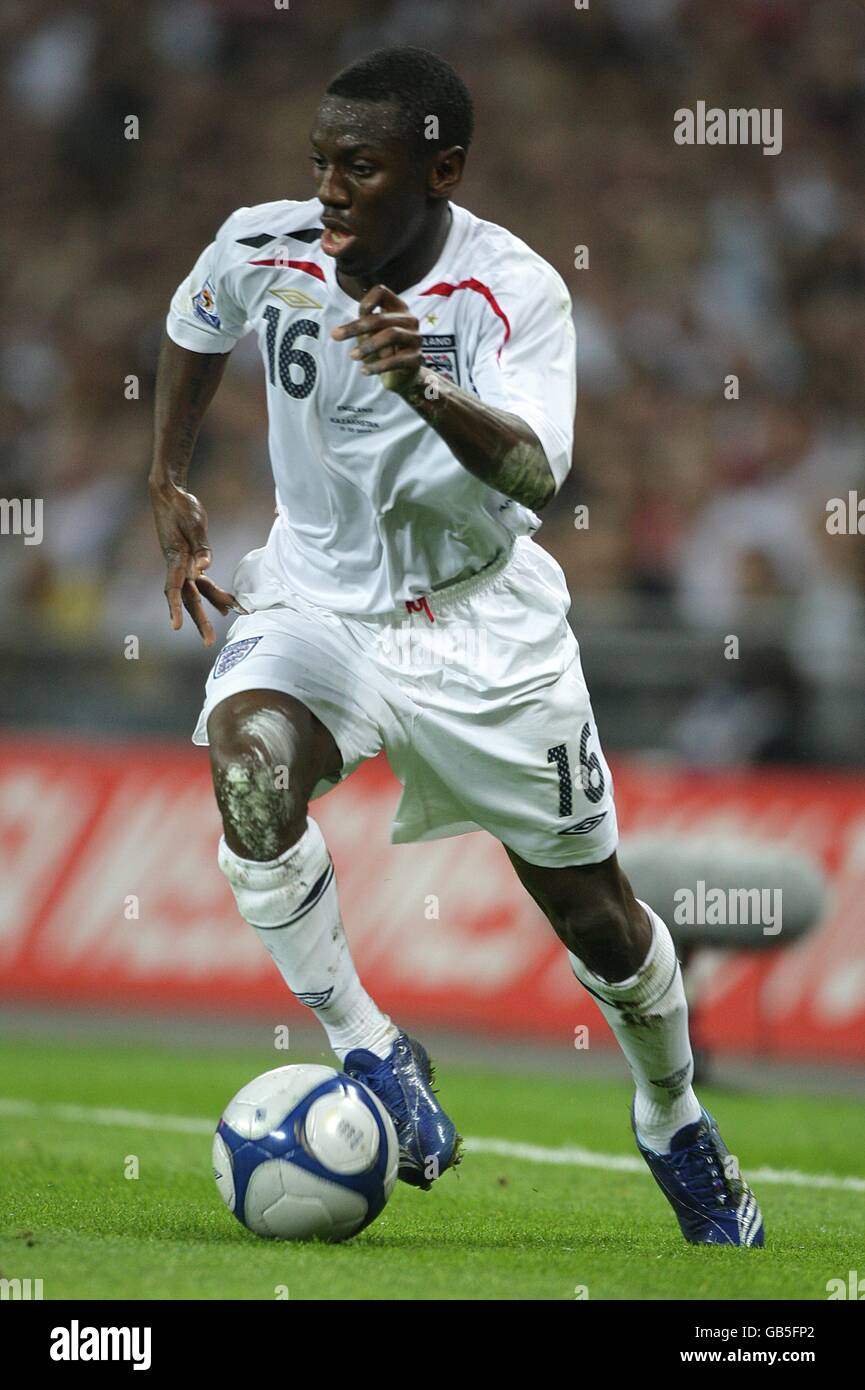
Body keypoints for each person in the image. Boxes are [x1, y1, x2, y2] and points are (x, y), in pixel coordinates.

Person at [150, 45, 763, 1245]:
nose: (329, 191)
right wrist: (166, 476)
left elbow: (538, 468)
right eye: (322, 162)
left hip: (483, 629)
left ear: (440, 170)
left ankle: (672, 1114)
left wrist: (424, 384)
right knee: (250, 770)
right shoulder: (264, 243)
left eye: (361, 168)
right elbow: (193, 318)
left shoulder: (512, 293)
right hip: (318, 604)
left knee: (597, 918)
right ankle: (372, 1050)